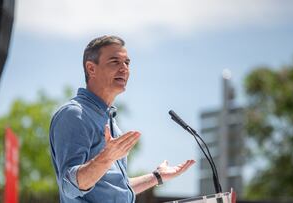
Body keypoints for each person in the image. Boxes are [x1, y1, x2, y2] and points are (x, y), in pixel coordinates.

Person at [49, 35, 195, 203]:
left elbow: (115, 189)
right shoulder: (74, 115)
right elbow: (69, 185)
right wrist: (106, 158)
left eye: (127, 63)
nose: (124, 68)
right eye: (115, 62)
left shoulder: (110, 121)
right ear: (91, 69)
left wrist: (157, 177)